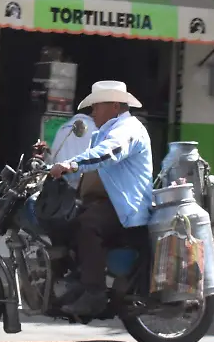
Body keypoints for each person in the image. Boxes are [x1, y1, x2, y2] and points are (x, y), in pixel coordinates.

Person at [48, 80, 154, 318]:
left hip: (126, 206)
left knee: (88, 225)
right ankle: (77, 283)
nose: (93, 112)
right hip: (108, 203)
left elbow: (109, 152)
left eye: (97, 106)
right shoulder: (105, 130)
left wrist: (72, 163)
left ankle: (94, 293)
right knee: (66, 220)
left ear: (115, 106)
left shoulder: (127, 129)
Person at [47, 108, 97, 189]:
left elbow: (52, 158)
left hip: (59, 184)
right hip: (80, 189)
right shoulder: (95, 129)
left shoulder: (63, 128)